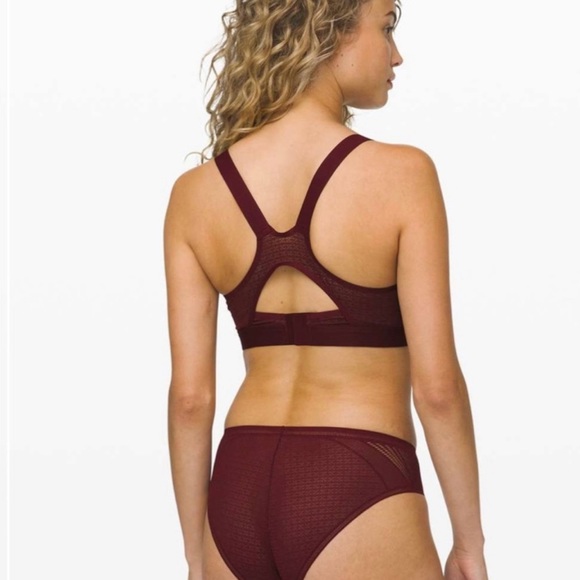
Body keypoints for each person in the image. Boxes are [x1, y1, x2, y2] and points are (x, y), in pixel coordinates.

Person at [163, 0, 488, 578]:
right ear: (329, 35)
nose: (396, 55)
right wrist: (469, 543)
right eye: (386, 28)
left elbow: (191, 400)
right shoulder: (403, 174)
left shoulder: (195, 194)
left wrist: (195, 551)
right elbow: (437, 389)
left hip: (238, 488)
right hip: (356, 477)